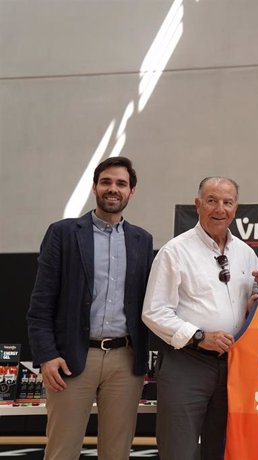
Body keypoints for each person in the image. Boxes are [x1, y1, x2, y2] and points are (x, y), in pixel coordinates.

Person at [27, 156, 153, 460]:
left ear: (131, 191)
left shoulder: (142, 240)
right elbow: (41, 303)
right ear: (94, 186)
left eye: (121, 183)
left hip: (125, 360)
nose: (113, 189)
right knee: (61, 451)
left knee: (117, 452)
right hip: (71, 359)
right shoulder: (63, 233)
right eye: (106, 182)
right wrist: (46, 356)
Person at [142, 177, 258, 460]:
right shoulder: (175, 251)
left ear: (236, 208)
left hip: (233, 366)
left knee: (221, 449)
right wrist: (199, 337)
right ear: (198, 205)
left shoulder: (246, 254)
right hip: (187, 363)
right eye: (211, 200)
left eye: (227, 202)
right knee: (178, 449)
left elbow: (251, 307)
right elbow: (154, 311)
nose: (220, 209)